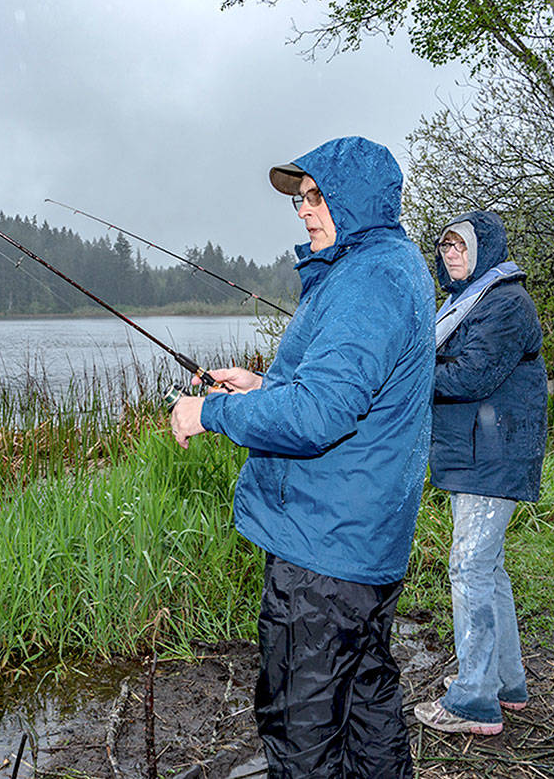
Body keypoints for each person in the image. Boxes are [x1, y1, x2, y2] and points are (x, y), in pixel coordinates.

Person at [170, 136, 434, 778]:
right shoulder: (387, 266)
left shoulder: (368, 279)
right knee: (368, 701)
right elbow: (352, 393)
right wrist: (262, 386)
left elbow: (319, 415)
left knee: (300, 727)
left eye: (318, 196)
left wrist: (210, 412)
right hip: (360, 543)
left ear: (357, 199)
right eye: (301, 200)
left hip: (325, 549)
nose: (306, 210)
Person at [413, 210, 548, 736]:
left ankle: (474, 701)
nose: (451, 254)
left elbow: (472, 375)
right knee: (487, 570)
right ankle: (506, 684)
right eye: (445, 246)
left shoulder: (505, 303)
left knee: (469, 568)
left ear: (484, 249)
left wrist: (406, 371)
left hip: (493, 455)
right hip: (476, 454)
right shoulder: (467, 302)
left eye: (461, 245)